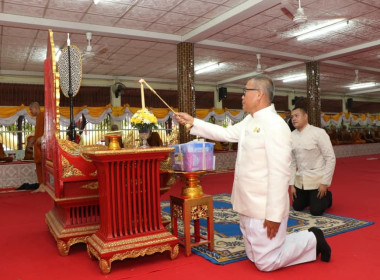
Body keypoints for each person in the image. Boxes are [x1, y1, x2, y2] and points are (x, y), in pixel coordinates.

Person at [174, 74, 331, 272]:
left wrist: (274, 214)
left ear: (259, 94)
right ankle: (290, 241)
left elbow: (280, 172)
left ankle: (312, 238)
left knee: (266, 262)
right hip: (247, 202)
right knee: (253, 255)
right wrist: (193, 122)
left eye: (245, 92)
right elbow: (225, 133)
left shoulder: (275, 125)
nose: (241, 96)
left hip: (264, 206)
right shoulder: (251, 121)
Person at [289, 104, 336, 216]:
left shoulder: (319, 133)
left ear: (306, 116)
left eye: (297, 115)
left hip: (317, 179)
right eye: (292, 117)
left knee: (316, 211)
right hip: (301, 180)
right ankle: (310, 198)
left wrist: (324, 183)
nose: (294, 119)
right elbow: (292, 162)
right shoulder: (290, 136)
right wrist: (291, 184)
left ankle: (327, 196)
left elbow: (330, 158)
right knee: (297, 207)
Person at [29, 102, 45, 193]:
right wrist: (33, 139)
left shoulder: (43, 115)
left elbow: (47, 130)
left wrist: (42, 137)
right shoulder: (38, 117)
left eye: (31, 109)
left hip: (42, 145)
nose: (30, 111)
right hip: (37, 144)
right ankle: (41, 185)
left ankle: (43, 185)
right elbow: (38, 132)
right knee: (38, 165)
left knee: (42, 165)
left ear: (35, 108)